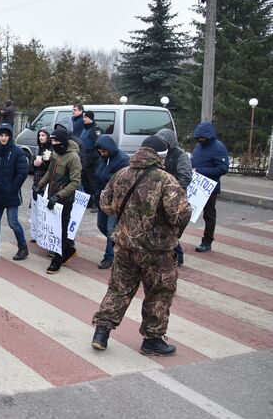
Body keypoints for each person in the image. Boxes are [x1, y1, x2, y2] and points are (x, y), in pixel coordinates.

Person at [91, 136, 192, 356]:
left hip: (125, 246)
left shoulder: (121, 174)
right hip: (157, 251)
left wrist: (128, 217)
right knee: (159, 293)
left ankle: (101, 333)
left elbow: (105, 204)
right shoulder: (166, 180)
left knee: (118, 289)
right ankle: (152, 341)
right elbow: (179, 215)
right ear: (161, 156)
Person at [32, 128, 82, 274]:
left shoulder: (73, 158)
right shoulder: (55, 153)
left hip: (64, 199)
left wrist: (59, 196)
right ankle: (69, 250)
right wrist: (39, 185)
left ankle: (58, 259)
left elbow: (75, 182)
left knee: (61, 229)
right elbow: (49, 172)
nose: (53, 143)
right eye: (52, 141)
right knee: (53, 228)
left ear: (63, 142)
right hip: (52, 195)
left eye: (56, 141)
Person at [0, 123, 29, 261]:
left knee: (13, 222)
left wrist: (12, 188)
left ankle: (23, 247)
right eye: (1, 135)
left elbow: (22, 173)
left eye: (6, 135)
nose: (3, 138)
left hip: (11, 195)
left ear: (10, 137)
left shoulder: (17, 152)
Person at [155, 128, 193, 265]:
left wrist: (169, 189)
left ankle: (178, 256)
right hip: (159, 196)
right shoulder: (158, 153)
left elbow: (185, 177)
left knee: (171, 229)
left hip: (174, 198)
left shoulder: (180, 156)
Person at [190, 122, 229, 253]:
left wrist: (199, 171)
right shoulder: (198, 146)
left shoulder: (219, 147)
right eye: (198, 138)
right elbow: (194, 161)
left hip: (209, 187)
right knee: (186, 212)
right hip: (195, 184)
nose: (200, 140)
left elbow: (223, 168)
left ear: (208, 136)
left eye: (202, 138)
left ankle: (207, 241)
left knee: (209, 215)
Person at [93, 135, 129, 269]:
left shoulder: (123, 160)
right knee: (101, 225)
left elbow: (122, 181)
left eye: (103, 151)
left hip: (115, 200)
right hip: (102, 198)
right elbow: (98, 175)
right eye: (100, 152)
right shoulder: (103, 158)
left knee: (110, 229)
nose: (101, 154)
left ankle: (109, 257)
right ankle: (118, 244)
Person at [79, 111, 101, 209]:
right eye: (83, 117)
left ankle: (97, 203)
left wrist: (90, 159)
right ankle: (90, 202)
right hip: (84, 159)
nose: (84, 119)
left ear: (90, 118)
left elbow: (98, 146)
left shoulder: (96, 130)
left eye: (85, 117)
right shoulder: (84, 128)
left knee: (93, 183)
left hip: (92, 161)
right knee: (85, 182)